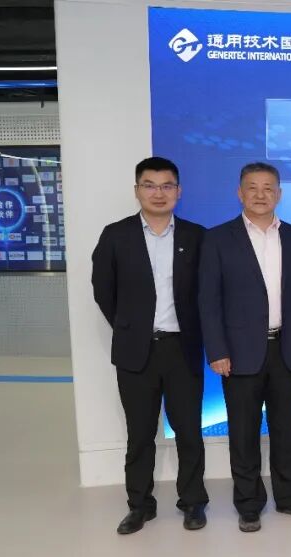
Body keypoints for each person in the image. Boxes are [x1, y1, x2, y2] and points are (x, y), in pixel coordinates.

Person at [91, 156, 208, 534]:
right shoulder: (116, 235)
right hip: (136, 351)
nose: (159, 193)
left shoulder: (196, 236)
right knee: (140, 434)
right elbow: (103, 291)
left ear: (179, 191)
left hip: (182, 349)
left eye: (167, 186)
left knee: (189, 431)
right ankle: (140, 505)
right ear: (137, 190)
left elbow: (207, 294)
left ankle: (193, 502)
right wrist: (131, 327)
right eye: (150, 185)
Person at [198, 161, 291, 532]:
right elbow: (208, 300)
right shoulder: (218, 238)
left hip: (286, 349)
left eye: (268, 188)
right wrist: (217, 351)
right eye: (253, 187)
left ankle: (289, 497)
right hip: (238, 353)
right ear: (240, 193)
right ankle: (248, 504)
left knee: (289, 431)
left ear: (279, 194)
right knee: (243, 432)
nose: (261, 194)